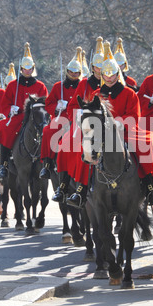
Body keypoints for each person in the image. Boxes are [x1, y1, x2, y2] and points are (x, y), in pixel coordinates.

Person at [67, 40, 153, 208]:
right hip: (101, 132)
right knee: (86, 149)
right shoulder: (96, 94)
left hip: (124, 130)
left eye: (112, 74)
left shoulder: (129, 93)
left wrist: (119, 122)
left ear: (118, 74)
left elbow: (134, 115)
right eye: (106, 75)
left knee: (144, 144)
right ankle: (81, 189)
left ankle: (150, 184)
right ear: (102, 75)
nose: (109, 78)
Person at [52, 37, 103, 204]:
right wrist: (81, 110)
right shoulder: (84, 84)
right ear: (93, 67)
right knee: (67, 144)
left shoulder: (113, 85)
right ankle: (65, 184)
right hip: (85, 124)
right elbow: (73, 105)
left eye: (103, 67)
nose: (100, 70)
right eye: (97, 66)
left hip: (105, 125)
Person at [0, 42, 48, 179]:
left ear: (33, 69)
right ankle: (4, 163)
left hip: (34, 118)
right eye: (25, 69)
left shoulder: (40, 86)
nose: (27, 71)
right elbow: (4, 104)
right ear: (21, 69)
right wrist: (10, 109)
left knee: (46, 132)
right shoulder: (13, 85)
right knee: (5, 129)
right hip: (17, 117)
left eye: (30, 68)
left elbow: (45, 103)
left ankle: (47, 164)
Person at [39, 46, 82, 179]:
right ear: (67, 71)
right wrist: (57, 107)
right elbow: (48, 103)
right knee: (47, 131)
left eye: (76, 73)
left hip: (76, 119)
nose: (73, 75)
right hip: (60, 118)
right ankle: (47, 164)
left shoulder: (83, 86)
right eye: (71, 72)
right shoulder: (59, 86)